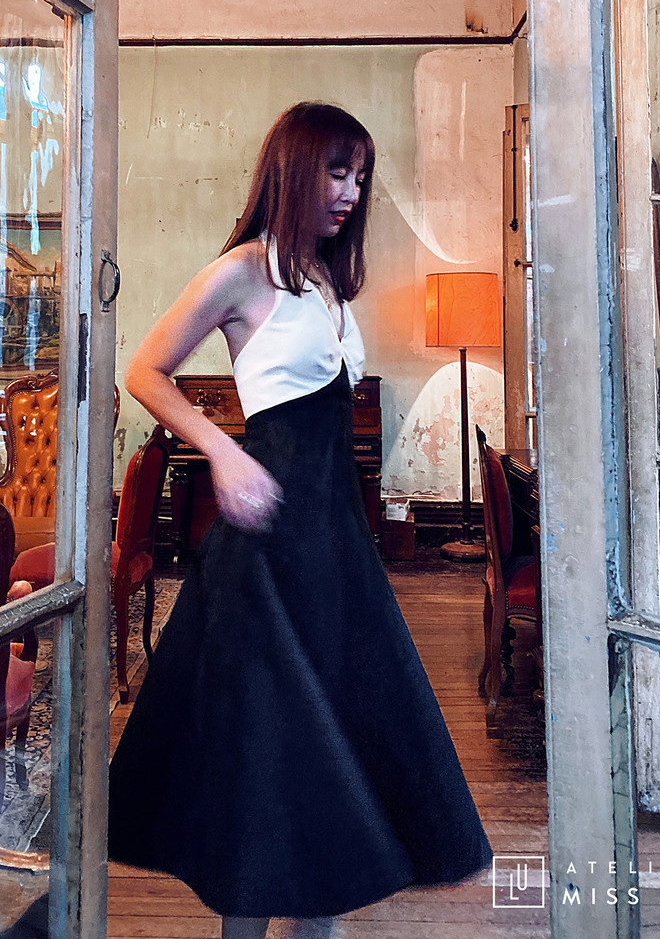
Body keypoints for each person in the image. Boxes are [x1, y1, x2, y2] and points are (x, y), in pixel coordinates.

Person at [108, 102, 492, 939]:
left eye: (360, 175)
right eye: (337, 170)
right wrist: (222, 449)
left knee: (329, 750)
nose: (352, 190)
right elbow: (145, 369)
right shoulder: (241, 271)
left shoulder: (325, 277)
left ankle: (318, 925)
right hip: (267, 550)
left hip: (333, 547)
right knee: (266, 764)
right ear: (293, 168)